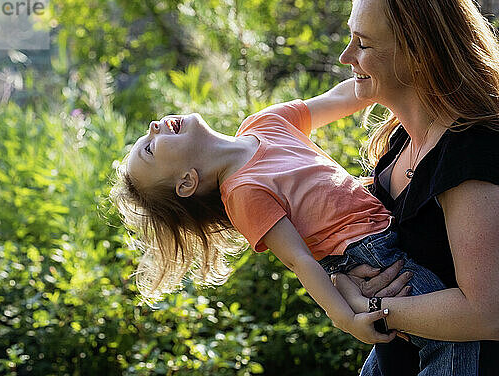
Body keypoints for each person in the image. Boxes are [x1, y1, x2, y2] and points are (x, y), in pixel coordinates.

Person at [110, 77, 479, 374]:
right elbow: (300, 261)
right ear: (187, 182)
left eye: (148, 131)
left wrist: (383, 77)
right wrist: (348, 319)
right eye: (150, 147)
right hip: (368, 255)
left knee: (399, 352)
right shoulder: (243, 191)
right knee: (455, 333)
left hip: (384, 232)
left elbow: (340, 96)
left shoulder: (263, 123)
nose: (154, 126)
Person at [310, 0, 499, 374]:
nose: (346, 57)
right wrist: (342, 283)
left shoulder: (471, 152)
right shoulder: (401, 140)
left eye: (363, 44)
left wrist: (370, 310)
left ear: (418, 53)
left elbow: (488, 313)